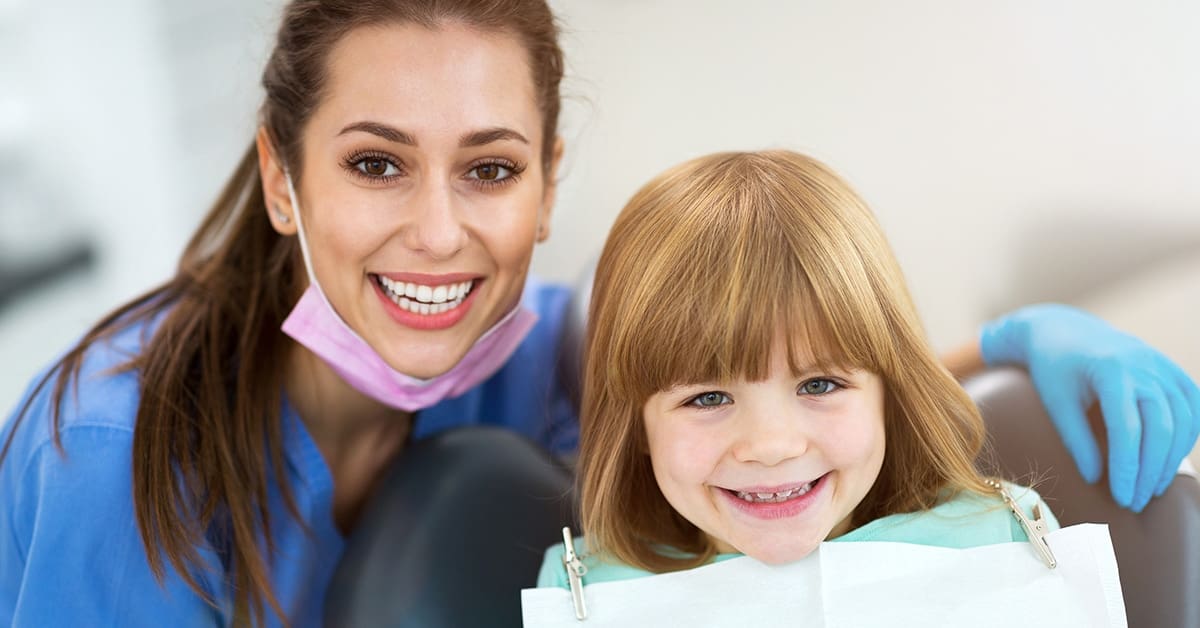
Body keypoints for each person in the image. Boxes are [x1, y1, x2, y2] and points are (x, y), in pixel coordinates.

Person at [0, 1, 1193, 626]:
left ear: (549, 181)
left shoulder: (515, 346)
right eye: (375, 165)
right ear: (279, 177)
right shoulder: (115, 460)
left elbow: (752, 400)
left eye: (489, 168)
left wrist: (1007, 344)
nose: (436, 231)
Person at [537, 150, 1062, 588]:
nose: (771, 446)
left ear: (888, 396)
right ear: (640, 426)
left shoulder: (1003, 539)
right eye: (708, 398)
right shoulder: (585, 591)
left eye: (819, 384)